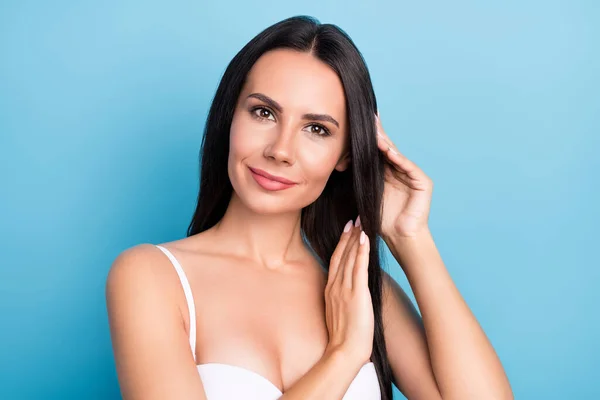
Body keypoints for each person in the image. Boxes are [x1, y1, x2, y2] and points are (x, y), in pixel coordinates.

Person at [105, 15, 513, 400]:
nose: (280, 150)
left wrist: (412, 239)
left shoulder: (359, 287)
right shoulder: (151, 277)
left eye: (316, 129)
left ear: (345, 155)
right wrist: (344, 353)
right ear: (230, 117)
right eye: (263, 113)